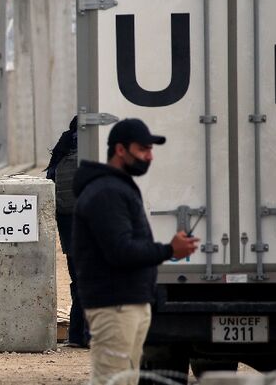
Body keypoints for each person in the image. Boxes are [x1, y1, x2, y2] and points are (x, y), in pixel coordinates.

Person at [71, 118, 199, 385]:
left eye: (150, 150)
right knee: (113, 380)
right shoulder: (105, 191)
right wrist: (168, 250)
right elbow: (121, 250)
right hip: (114, 306)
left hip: (128, 302)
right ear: (120, 150)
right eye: (142, 149)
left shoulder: (117, 186)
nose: (149, 157)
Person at [46, 115, 89, 348]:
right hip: (89, 228)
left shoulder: (61, 153)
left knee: (77, 280)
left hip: (68, 227)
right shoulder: (91, 154)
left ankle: (77, 334)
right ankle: (87, 336)